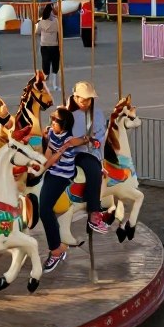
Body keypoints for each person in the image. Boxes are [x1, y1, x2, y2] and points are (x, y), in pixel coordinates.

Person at [38, 107, 101, 272]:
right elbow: (47, 153)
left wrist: (89, 139)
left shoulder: (69, 140)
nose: (52, 122)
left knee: (44, 209)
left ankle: (56, 250)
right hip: (51, 171)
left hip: (62, 175)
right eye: (52, 119)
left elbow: (54, 158)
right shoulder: (51, 132)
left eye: (55, 121)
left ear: (64, 125)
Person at [64, 80, 110, 235]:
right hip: (75, 152)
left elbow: (102, 134)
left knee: (100, 166)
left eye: (89, 100)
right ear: (75, 98)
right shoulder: (67, 114)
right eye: (83, 100)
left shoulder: (97, 113)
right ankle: (93, 212)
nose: (86, 103)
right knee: (92, 169)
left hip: (94, 151)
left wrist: (100, 153)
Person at [36, 3, 61, 90]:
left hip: (45, 45)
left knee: (46, 65)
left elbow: (37, 31)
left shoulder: (41, 22)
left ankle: (46, 85)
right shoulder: (56, 21)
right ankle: (54, 85)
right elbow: (60, 30)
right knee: (55, 65)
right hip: (54, 45)